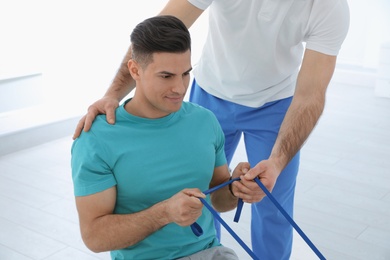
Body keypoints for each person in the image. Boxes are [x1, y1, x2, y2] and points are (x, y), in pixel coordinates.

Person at [73, 1, 350, 259]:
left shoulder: (329, 7)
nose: (176, 84)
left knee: (271, 199)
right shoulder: (101, 140)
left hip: (275, 102)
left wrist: (277, 163)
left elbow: (311, 95)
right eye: (169, 77)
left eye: (179, 75)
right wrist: (113, 93)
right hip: (212, 91)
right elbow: (153, 37)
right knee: (201, 192)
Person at [71, 15, 261, 260]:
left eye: (185, 74)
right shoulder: (96, 139)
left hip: (210, 253)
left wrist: (235, 189)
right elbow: (94, 237)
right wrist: (164, 213)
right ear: (134, 70)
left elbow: (219, 200)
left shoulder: (204, 122)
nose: (180, 88)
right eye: (166, 76)